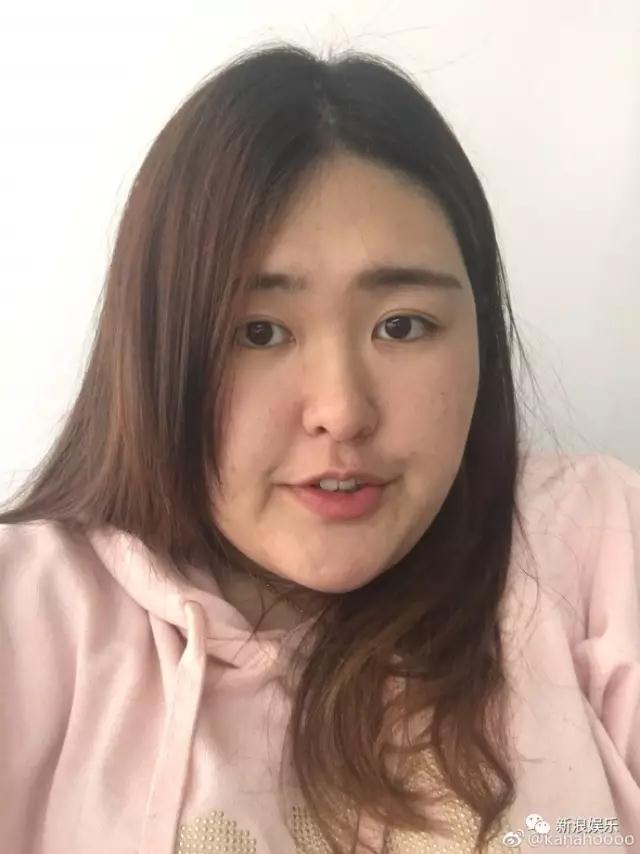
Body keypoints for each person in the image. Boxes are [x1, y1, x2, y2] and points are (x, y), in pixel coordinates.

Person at [0, 42, 638, 854]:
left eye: (401, 325)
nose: (341, 412)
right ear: (156, 352)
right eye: (259, 333)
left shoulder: (598, 547)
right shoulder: (31, 617)